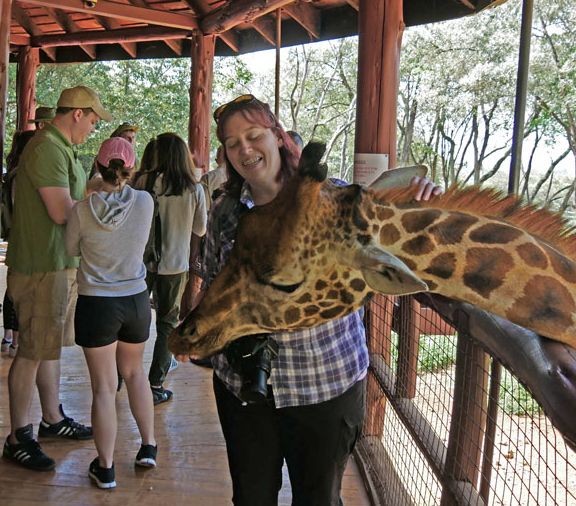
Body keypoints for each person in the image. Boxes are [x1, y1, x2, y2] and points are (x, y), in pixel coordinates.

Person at [189, 94, 442, 506]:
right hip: (242, 384)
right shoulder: (225, 212)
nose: (244, 150)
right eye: (232, 144)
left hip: (325, 381)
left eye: (253, 136)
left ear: (277, 136)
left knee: (318, 499)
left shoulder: (335, 197)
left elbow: (400, 246)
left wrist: (425, 202)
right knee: (251, 499)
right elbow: (217, 284)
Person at [3, 85, 113, 471]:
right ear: (78, 114)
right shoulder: (48, 148)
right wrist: (99, 214)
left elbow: (76, 197)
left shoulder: (61, 149)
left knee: (45, 347)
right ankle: (18, 435)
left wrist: (107, 187)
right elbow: (62, 212)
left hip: (57, 263)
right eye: (94, 121)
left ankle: (52, 420)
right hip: (40, 266)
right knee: (31, 351)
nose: (94, 129)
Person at [65, 137, 157, 489]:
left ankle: (105, 468)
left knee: (104, 388)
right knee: (136, 375)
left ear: (98, 168)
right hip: (135, 300)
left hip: (96, 303)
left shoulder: (82, 210)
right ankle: (148, 447)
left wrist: (90, 194)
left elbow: (71, 248)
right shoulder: (146, 202)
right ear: (131, 170)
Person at [136, 133, 206, 404]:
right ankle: (155, 385)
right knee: (167, 323)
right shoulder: (193, 188)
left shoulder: (144, 181)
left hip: (141, 263)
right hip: (175, 265)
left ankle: (120, 375)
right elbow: (200, 228)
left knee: (134, 321)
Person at [0, 129, 37, 356]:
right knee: (18, 290)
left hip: (15, 237)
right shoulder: (21, 175)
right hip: (23, 238)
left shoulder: (13, 173)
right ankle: (15, 340)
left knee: (13, 288)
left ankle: (9, 337)